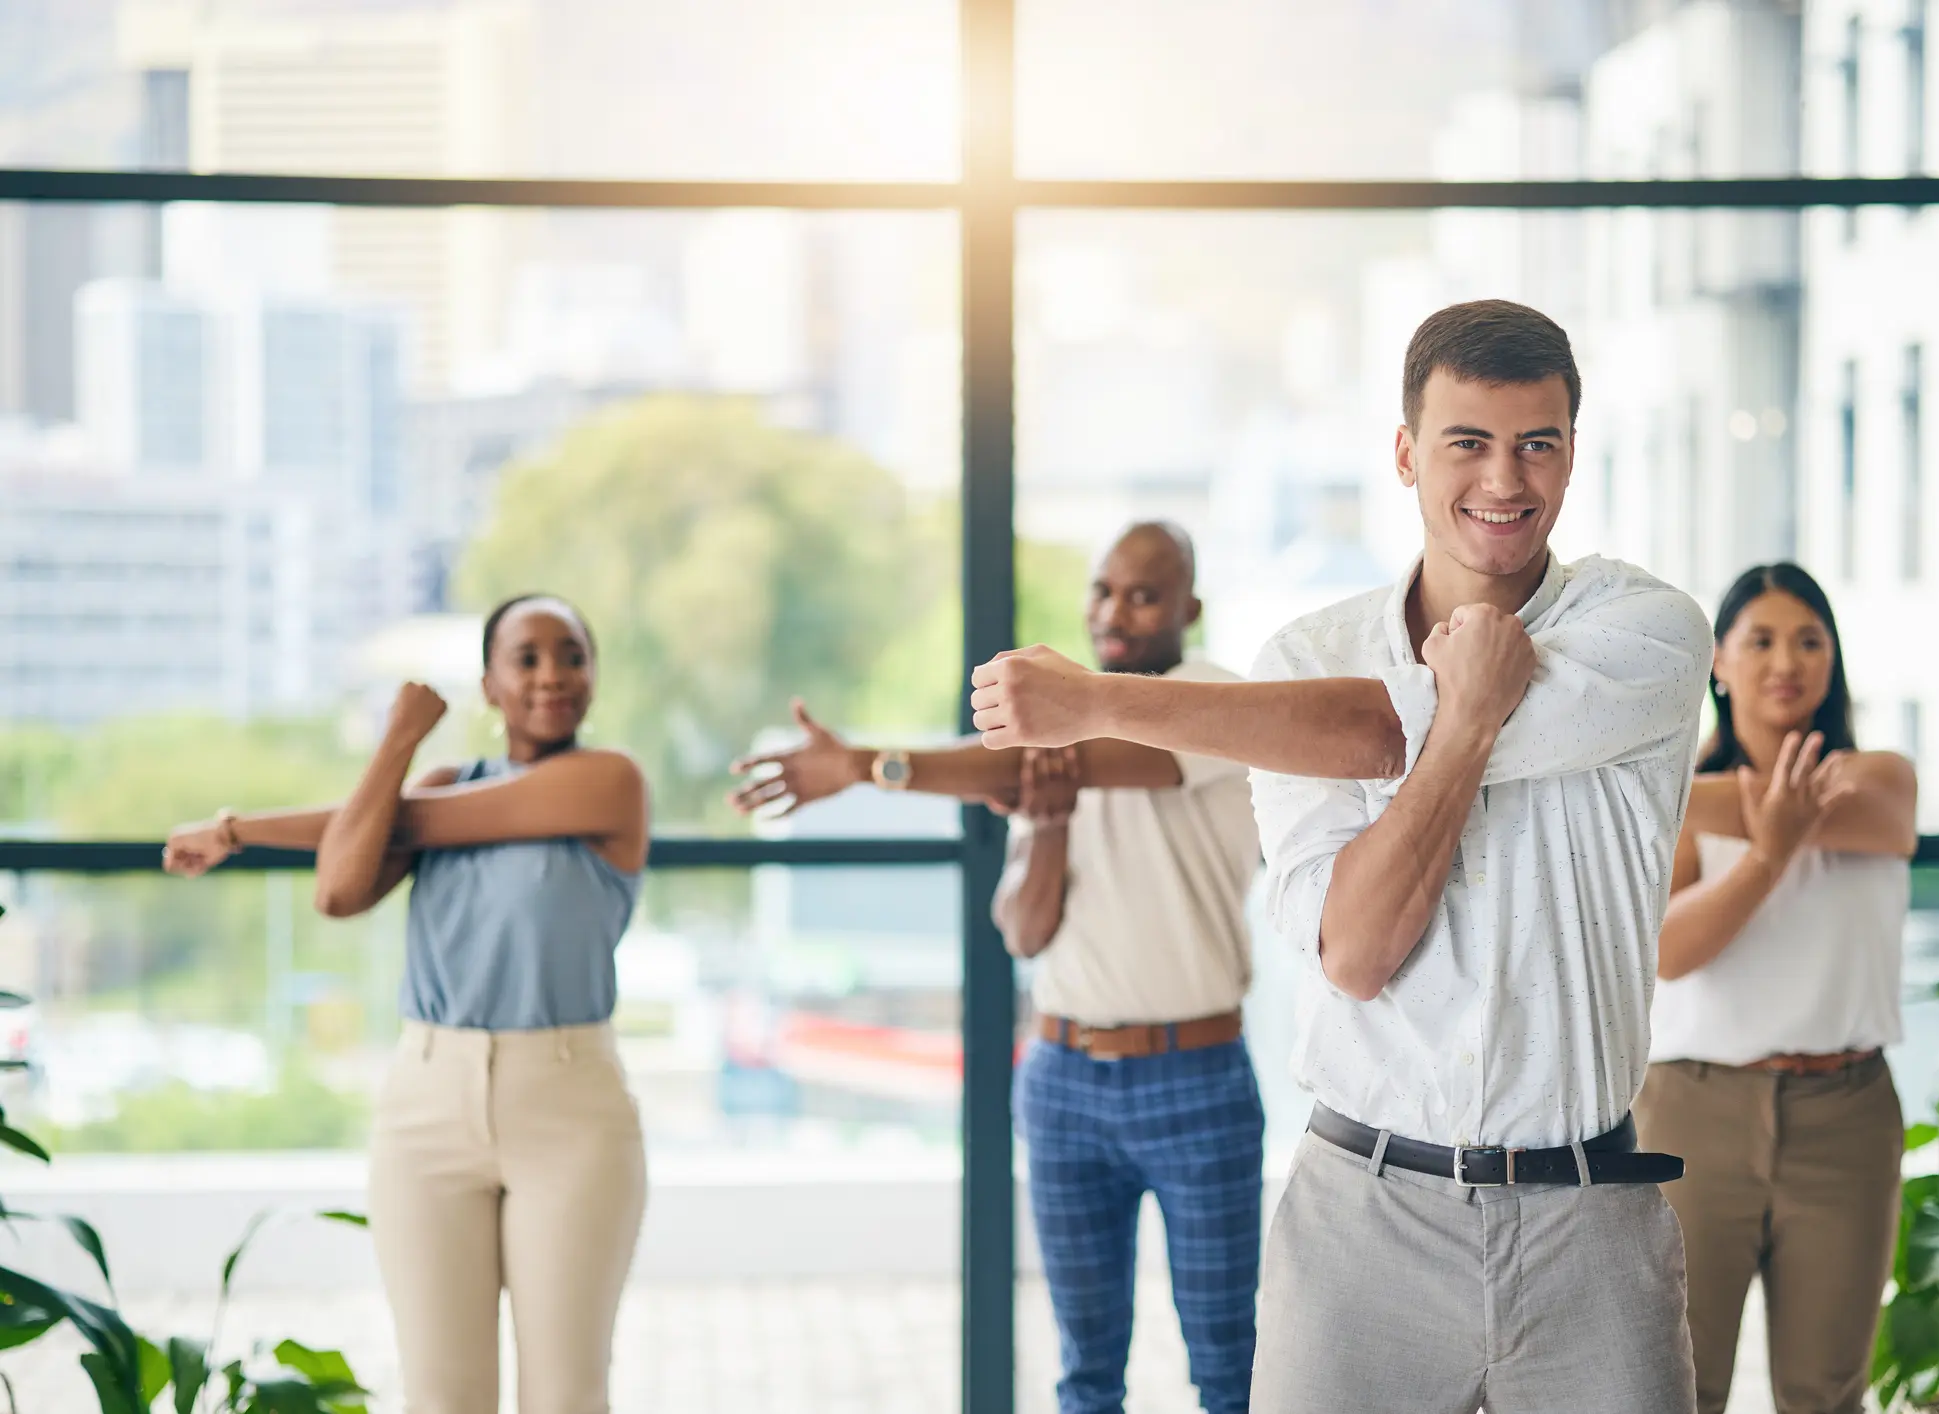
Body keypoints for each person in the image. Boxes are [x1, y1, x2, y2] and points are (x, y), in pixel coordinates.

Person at [967, 300, 1712, 1412]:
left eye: (1537, 442)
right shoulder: (1304, 660)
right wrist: (1465, 723)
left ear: (1570, 451)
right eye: (1467, 440)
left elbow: (1377, 725)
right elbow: (1357, 952)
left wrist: (1092, 703)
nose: (1504, 479)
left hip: (1588, 1225)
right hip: (1362, 1223)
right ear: (1406, 452)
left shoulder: (1644, 632)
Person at [730, 522, 1266, 1414]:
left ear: (1189, 610)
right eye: (1103, 590)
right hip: (1064, 1081)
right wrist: (1047, 823)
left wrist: (864, 766)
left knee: (1227, 1369)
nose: (1115, 612)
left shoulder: (1206, 698)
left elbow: (1092, 765)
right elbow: (1023, 928)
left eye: (1144, 594)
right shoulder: (1058, 742)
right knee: (1085, 1375)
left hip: (1195, 1078)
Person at [162, 594, 650, 1414]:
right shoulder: (437, 782)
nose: (552, 675)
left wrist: (241, 828)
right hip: (427, 1103)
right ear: (488, 685)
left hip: (568, 1104)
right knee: (441, 1394)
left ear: (594, 676)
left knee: (567, 1394)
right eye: (526, 658)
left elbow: (425, 823)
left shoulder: (609, 782)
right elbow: (341, 889)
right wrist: (398, 741)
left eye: (571, 654)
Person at [1634, 563, 1917, 1414]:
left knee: (1826, 1392)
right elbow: (1670, 953)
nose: (1784, 660)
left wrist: (1696, 802)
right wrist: (1769, 848)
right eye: (1759, 641)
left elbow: (1877, 820)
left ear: (1833, 659)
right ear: (1718, 661)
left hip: (1848, 1116)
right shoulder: (1685, 798)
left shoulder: (1881, 778)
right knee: (1680, 1385)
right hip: (1696, 1113)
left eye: (1808, 639)